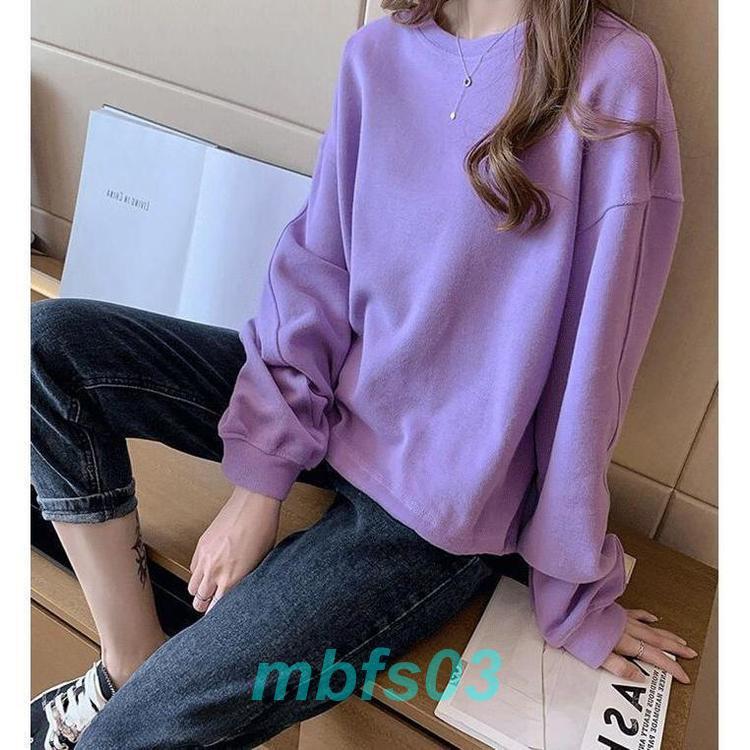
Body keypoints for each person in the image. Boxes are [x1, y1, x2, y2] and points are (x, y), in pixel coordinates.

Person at [30, 1, 697, 747]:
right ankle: (128, 658)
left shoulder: (612, 76)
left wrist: (573, 594)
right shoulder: (378, 54)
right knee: (48, 347)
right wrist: (258, 487)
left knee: (128, 738)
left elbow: (596, 363)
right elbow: (317, 275)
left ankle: (125, 706)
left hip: (441, 501)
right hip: (334, 406)